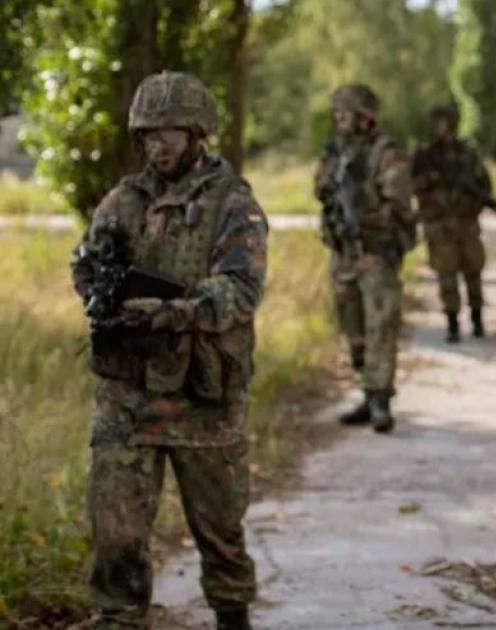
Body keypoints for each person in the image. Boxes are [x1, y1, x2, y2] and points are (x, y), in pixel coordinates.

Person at [71, 71, 266, 630]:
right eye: (148, 135)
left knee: (220, 531)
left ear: (197, 133)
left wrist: (173, 311)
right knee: (116, 529)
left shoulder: (233, 202)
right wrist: (98, 287)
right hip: (128, 390)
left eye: (169, 134)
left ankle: (232, 615)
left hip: (202, 391)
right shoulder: (123, 200)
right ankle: (120, 618)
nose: (157, 145)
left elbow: (241, 289)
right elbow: (85, 261)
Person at [314, 83, 414, 433]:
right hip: (343, 253)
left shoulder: (386, 152)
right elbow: (319, 188)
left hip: (375, 252)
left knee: (380, 325)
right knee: (351, 326)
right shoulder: (335, 151)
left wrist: (365, 214)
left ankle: (381, 398)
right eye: (337, 112)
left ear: (365, 116)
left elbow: (398, 203)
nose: (339, 118)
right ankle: (367, 391)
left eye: (347, 112)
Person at [412, 103, 492, 343]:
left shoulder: (467, 153)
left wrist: (473, 204)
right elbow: (414, 187)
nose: (442, 128)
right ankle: (452, 323)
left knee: (473, 272)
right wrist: (434, 190)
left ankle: (477, 318)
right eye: (439, 122)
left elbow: (484, 185)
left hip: (466, 224)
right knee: (446, 277)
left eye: (446, 122)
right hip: (440, 225)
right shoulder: (425, 156)